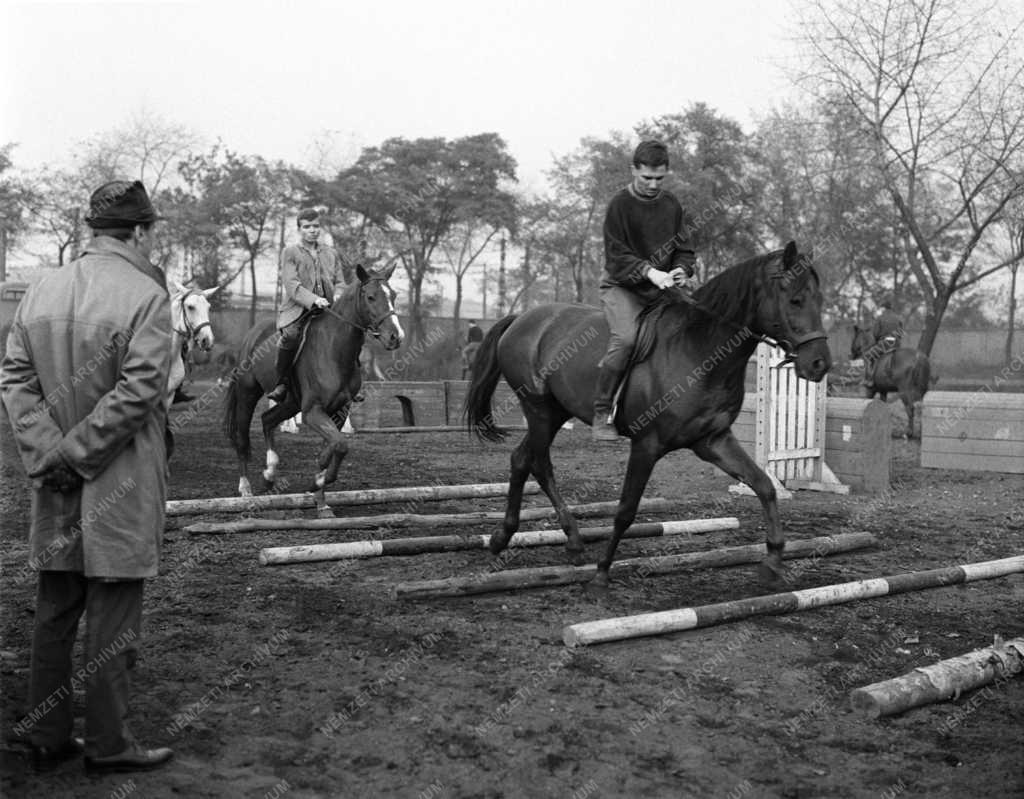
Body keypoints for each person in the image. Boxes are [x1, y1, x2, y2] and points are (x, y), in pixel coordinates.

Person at [0, 180, 175, 774]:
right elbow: (141, 390)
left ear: (91, 229)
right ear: (141, 231)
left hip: (53, 483)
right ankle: (109, 745)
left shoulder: (42, 290)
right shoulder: (146, 294)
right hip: (118, 482)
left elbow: (16, 381)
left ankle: (45, 736)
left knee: (54, 611)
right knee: (113, 614)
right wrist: (79, 453)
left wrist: (49, 452)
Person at [593, 140, 697, 442]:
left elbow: (685, 250)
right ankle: (602, 412)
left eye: (659, 179)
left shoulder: (672, 205)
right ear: (633, 170)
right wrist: (651, 272)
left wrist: (682, 270)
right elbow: (617, 257)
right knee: (626, 339)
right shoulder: (619, 206)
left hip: (661, 287)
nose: (653, 185)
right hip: (621, 286)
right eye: (647, 178)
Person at [266, 209, 345, 402]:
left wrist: (338, 293)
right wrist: (313, 300)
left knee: (349, 333)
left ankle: (351, 381)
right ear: (299, 229)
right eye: (307, 227)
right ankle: (282, 382)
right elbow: (291, 284)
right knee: (291, 336)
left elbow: (340, 281)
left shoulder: (331, 252)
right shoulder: (290, 252)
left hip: (327, 310)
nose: (312, 230)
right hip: (298, 310)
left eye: (316, 226)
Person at [863, 295, 904, 387]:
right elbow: (901, 333)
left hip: (884, 344)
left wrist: (877, 340)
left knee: (867, 356)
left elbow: (876, 334)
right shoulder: (898, 318)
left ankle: (869, 379)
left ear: (883, 308)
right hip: (896, 344)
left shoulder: (880, 318)